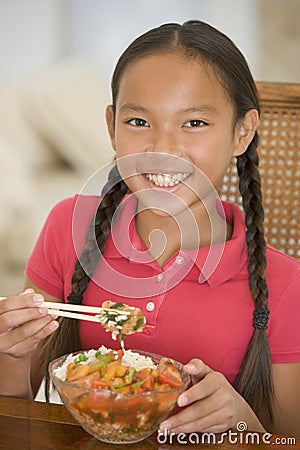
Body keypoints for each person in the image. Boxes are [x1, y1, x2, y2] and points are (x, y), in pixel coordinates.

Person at [0, 20, 299, 437]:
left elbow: (288, 438)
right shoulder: (69, 226)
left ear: (242, 132)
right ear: (111, 126)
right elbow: (18, 415)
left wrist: (242, 422)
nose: (162, 149)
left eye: (194, 123)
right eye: (139, 122)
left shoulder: (285, 285)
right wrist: (11, 354)